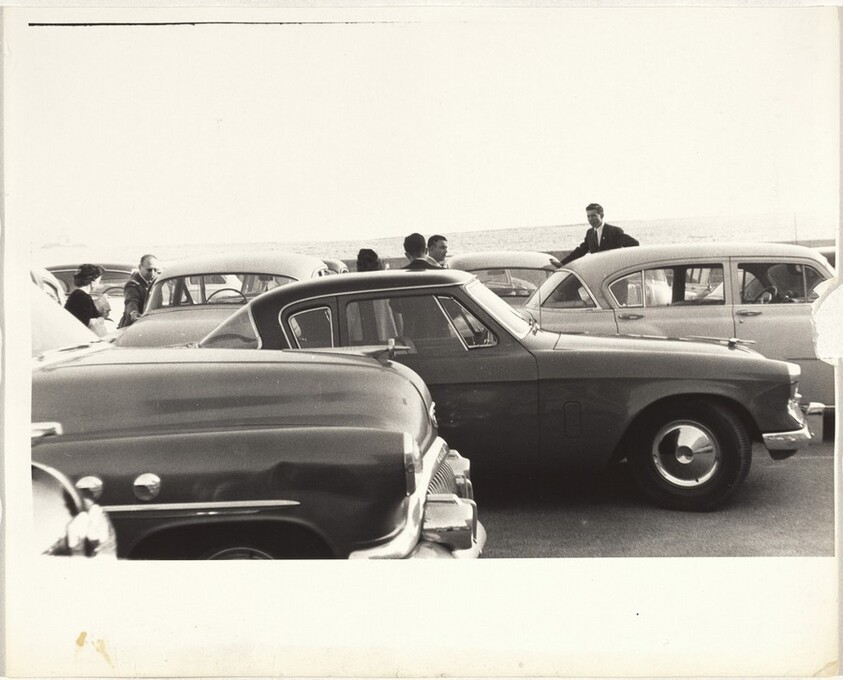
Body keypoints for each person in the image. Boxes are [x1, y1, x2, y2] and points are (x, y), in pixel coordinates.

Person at [560, 203, 639, 265]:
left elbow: (634, 244)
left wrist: (621, 262)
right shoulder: (590, 233)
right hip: (599, 273)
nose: (590, 219)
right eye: (588, 216)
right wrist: (562, 263)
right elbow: (580, 251)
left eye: (593, 216)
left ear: (602, 215)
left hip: (614, 274)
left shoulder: (613, 231)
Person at [118, 254, 161, 328]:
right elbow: (131, 301)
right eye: (149, 270)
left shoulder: (156, 281)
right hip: (133, 325)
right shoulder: (133, 284)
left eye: (155, 270)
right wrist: (134, 312)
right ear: (140, 267)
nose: (152, 273)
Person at [64, 264, 109, 336]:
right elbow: (85, 323)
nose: (98, 284)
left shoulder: (77, 295)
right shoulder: (83, 297)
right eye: (99, 281)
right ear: (93, 282)